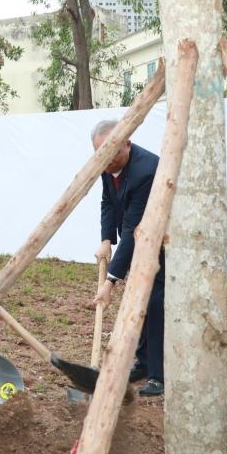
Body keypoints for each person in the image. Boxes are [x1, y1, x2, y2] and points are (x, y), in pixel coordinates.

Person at [90, 119, 165, 397]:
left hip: (162, 242)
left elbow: (134, 227)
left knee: (155, 301)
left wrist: (110, 282)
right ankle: (145, 362)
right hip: (138, 241)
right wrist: (106, 239)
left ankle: (159, 375)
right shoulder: (105, 164)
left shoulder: (147, 170)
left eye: (113, 153)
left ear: (128, 144)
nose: (107, 161)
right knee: (141, 299)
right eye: (102, 155)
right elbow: (108, 201)